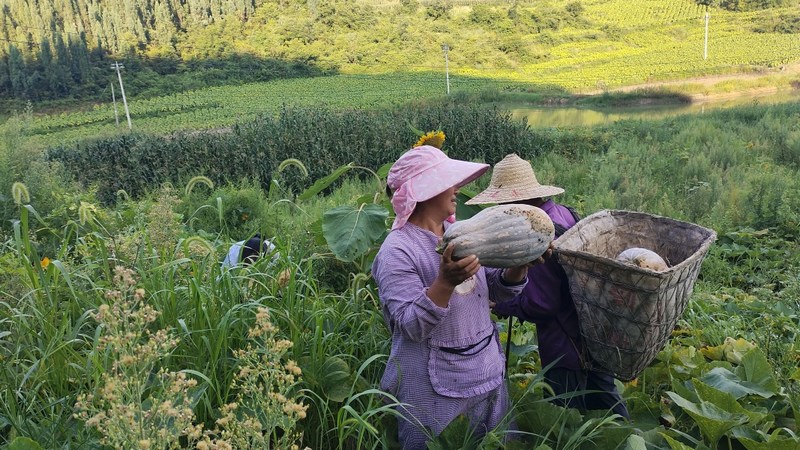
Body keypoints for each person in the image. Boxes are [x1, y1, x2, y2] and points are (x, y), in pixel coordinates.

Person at [371, 145, 539, 449]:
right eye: (448, 181)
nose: (457, 188)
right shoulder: (396, 251)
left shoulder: (459, 231)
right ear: (425, 189)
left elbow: (491, 288)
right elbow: (411, 325)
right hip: (433, 390)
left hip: (485, 374)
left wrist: (519, 265)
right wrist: (445, 282)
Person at [466, 153, 630, 420]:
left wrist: (502, 303)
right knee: (607, 405)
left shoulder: (536, 232)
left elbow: (543, 303)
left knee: (565, 420)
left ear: (513, 200)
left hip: (565, 347)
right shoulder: (563, 212)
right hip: (594, 331)